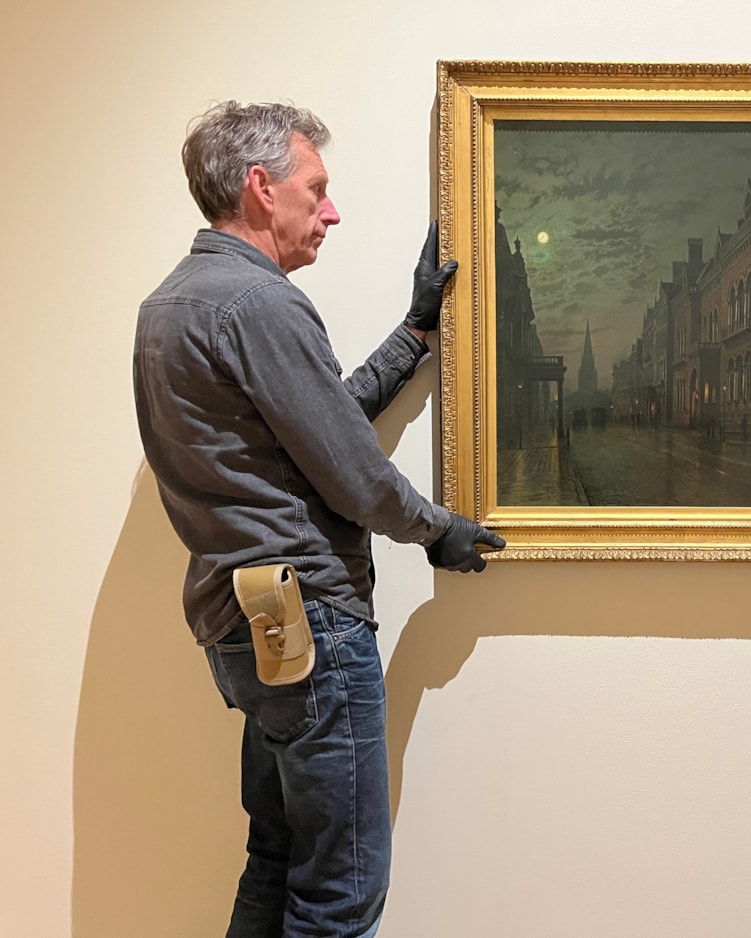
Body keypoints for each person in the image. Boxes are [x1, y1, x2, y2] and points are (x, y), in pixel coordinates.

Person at [133, 101, 505, 938]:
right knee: (342, 889)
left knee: (276, 860)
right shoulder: (258, 303)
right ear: (261, 188)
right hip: (307, 629)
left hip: (242, 627)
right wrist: (438, 528)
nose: (330, 211)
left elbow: (314, 424)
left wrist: (413, 333)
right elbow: (353, 474)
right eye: (317, 188)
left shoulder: (171, 304)